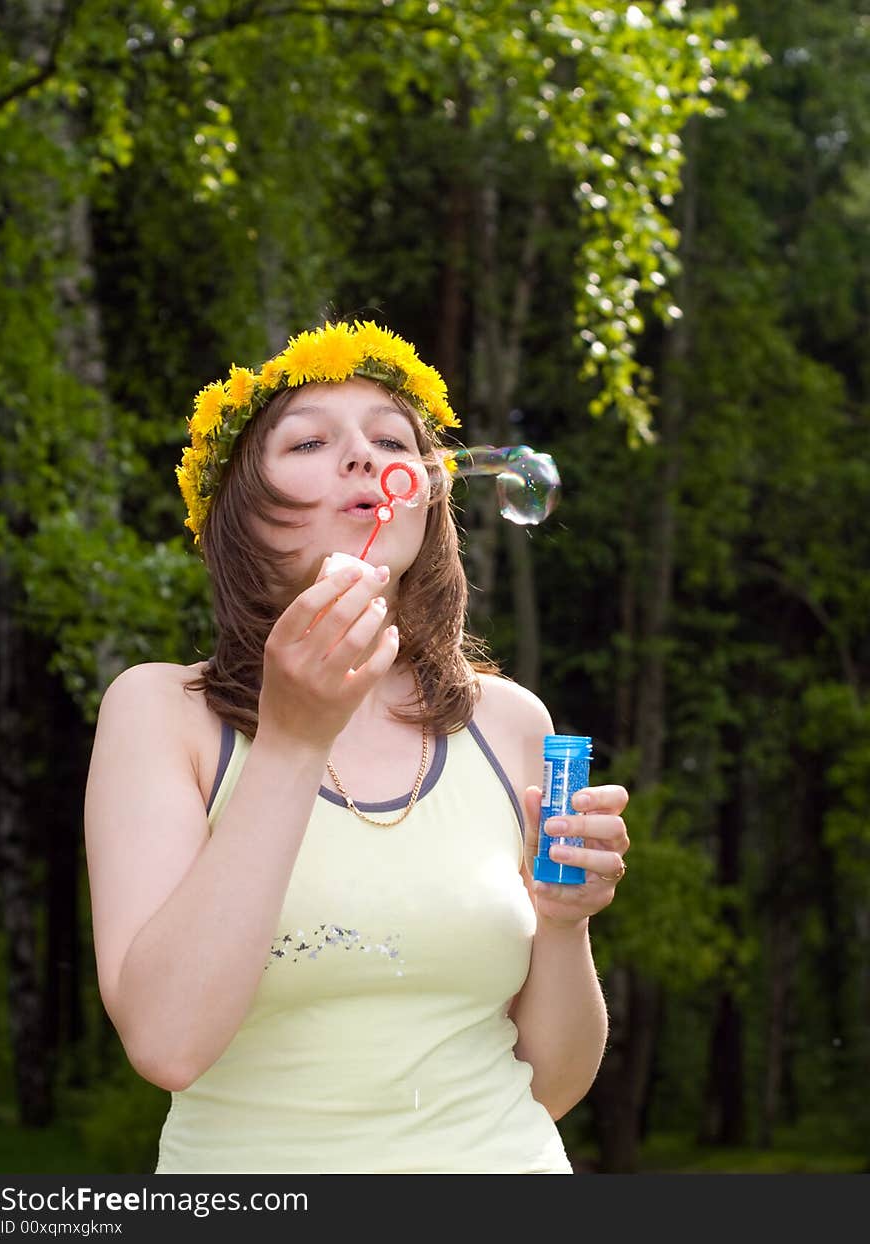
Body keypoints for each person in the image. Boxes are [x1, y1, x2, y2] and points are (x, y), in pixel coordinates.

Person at [83, 318, 630, 1175]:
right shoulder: (161, 712)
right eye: (309, 440)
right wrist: (295, 738)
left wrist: (563, 926)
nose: (365, 457)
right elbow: (167, 1043)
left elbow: (552, 1088)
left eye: (390, 439)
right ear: (235, 513)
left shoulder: (513, 724)